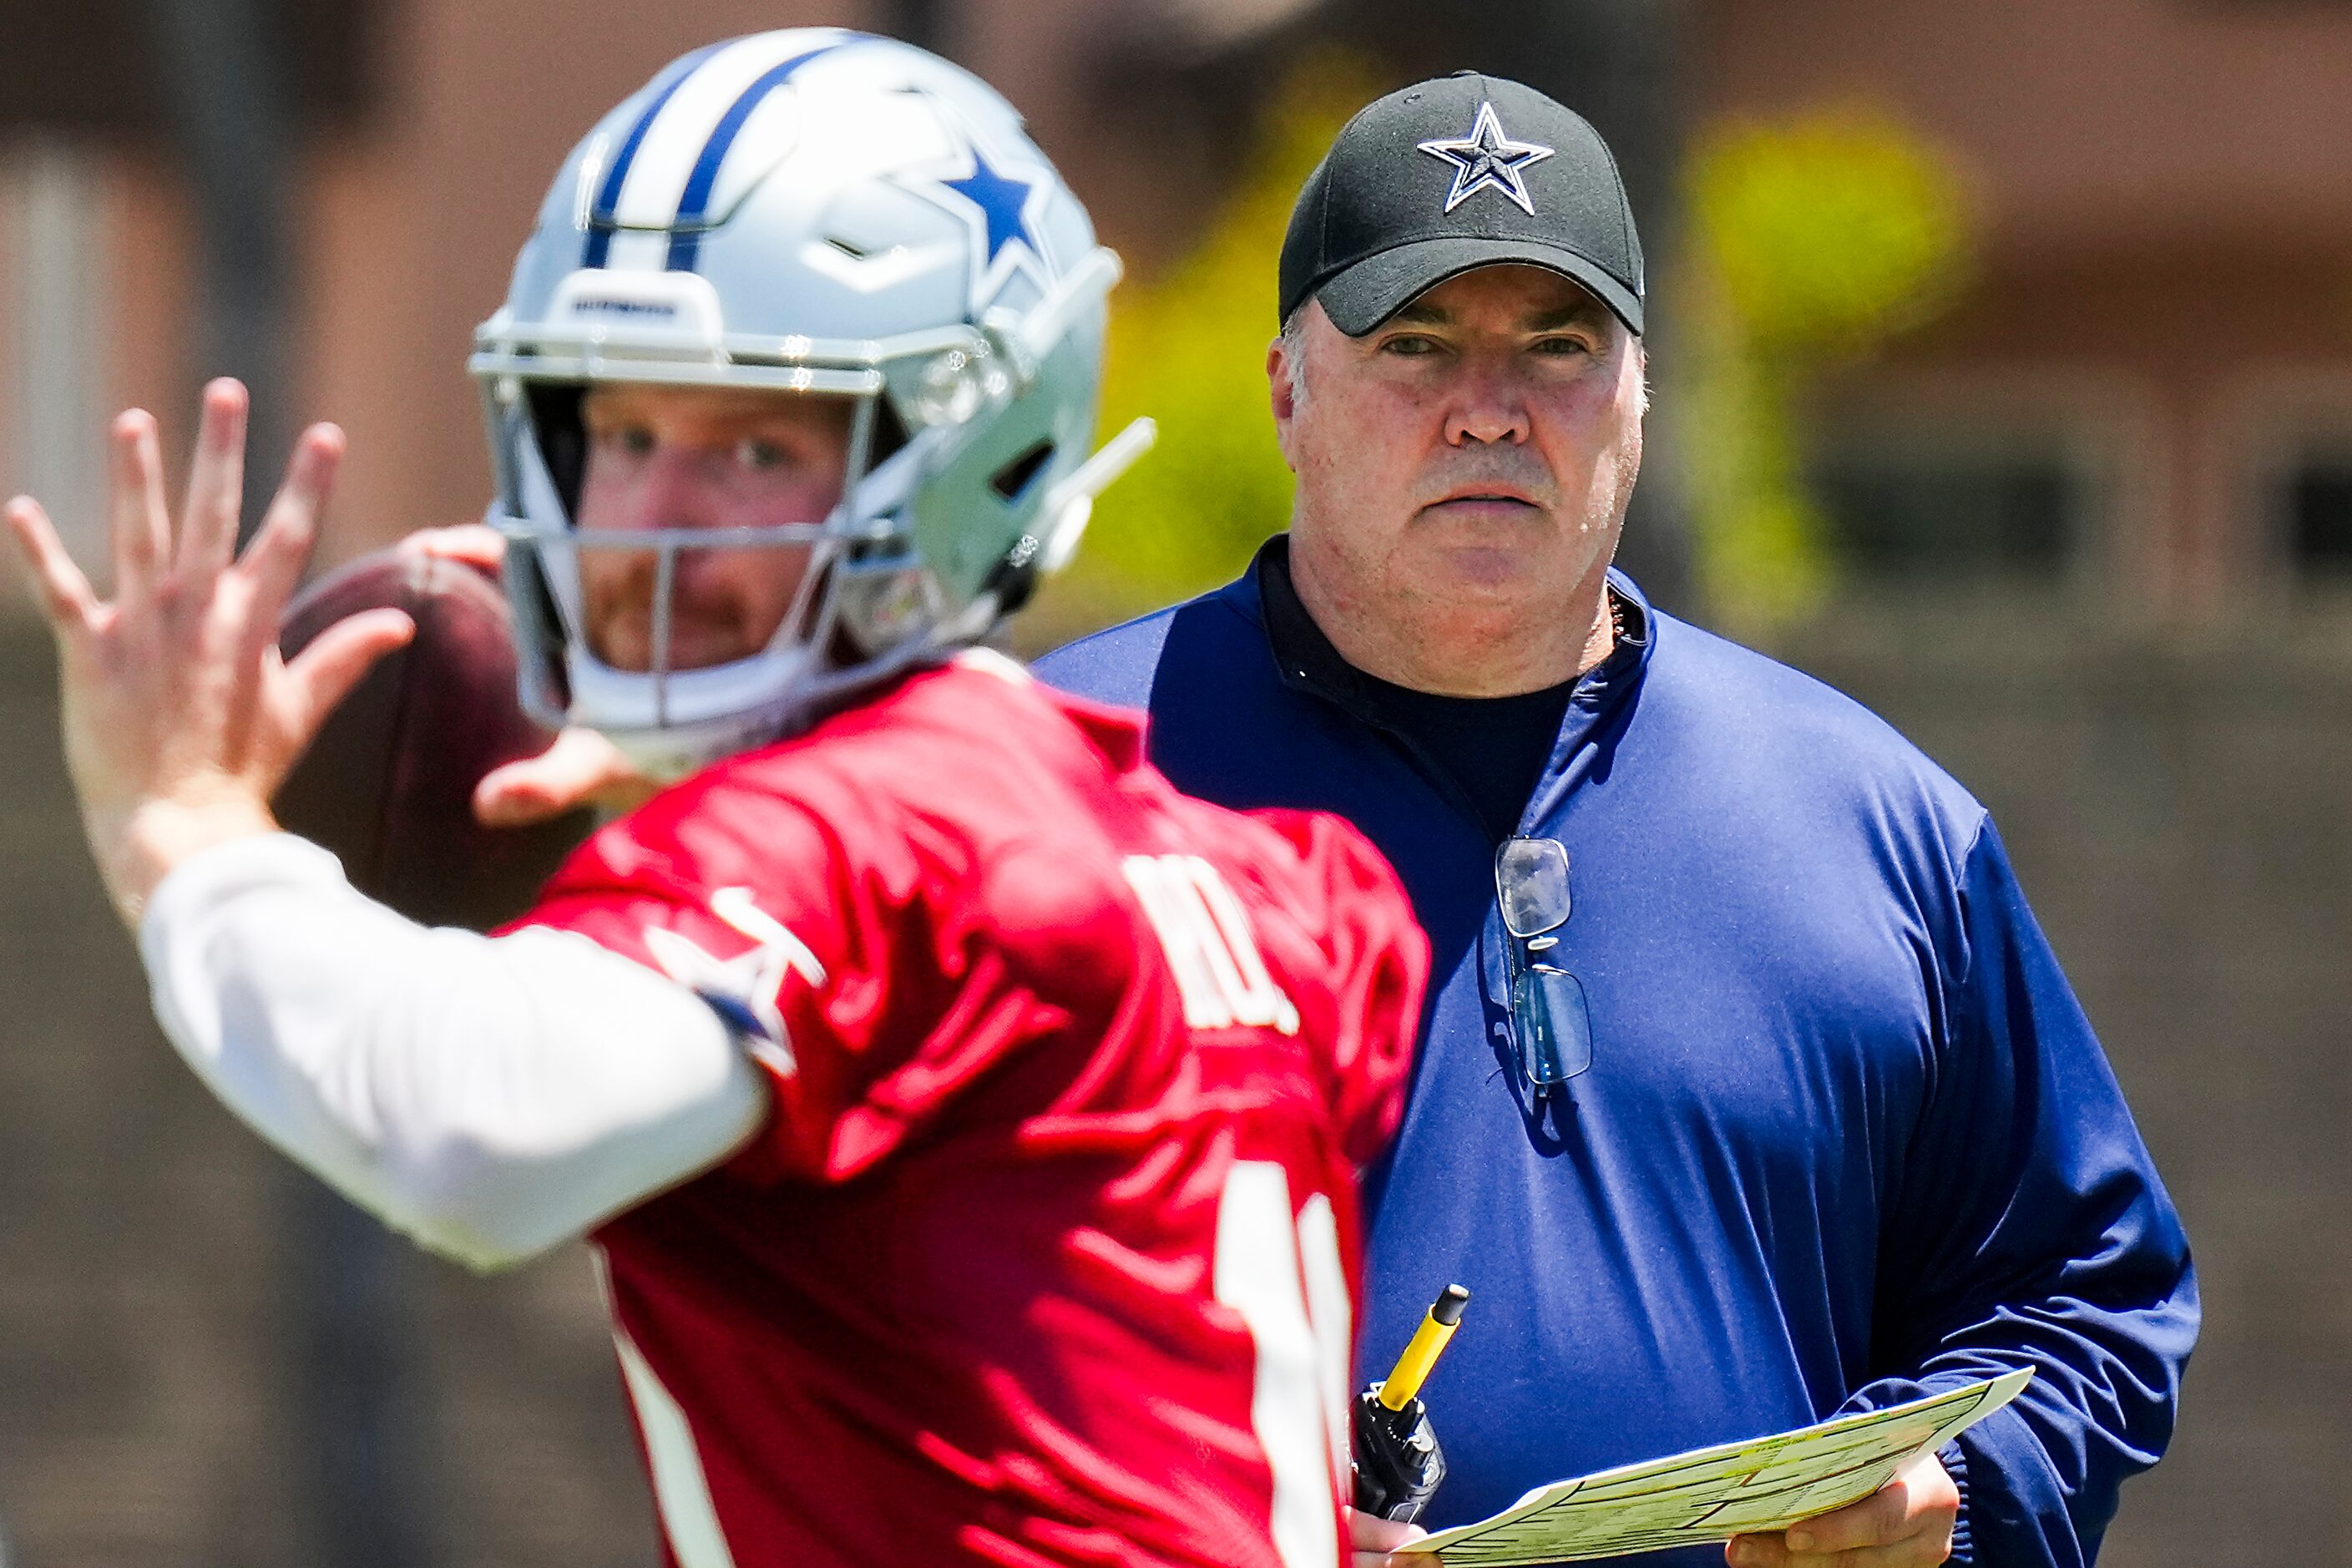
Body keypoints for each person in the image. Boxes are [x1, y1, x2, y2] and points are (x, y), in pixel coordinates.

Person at [6, 31, 1430, 1568]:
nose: (647, 523)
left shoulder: (864, 835)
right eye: (618, 434)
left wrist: (189, 836)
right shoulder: (1270, 882)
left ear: (970, 462)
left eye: (754, 444)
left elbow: (472, 1129)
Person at [1031, 73, 2198, 1568]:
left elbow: (2078, 1293)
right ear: (1284, 385)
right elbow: (865, 1323)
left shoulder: (1875, 821)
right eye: (1415, 344)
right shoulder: (1053, 784)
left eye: (1559, 346)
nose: (1490, 408)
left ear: (1641, 395)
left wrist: (1946, 1497)